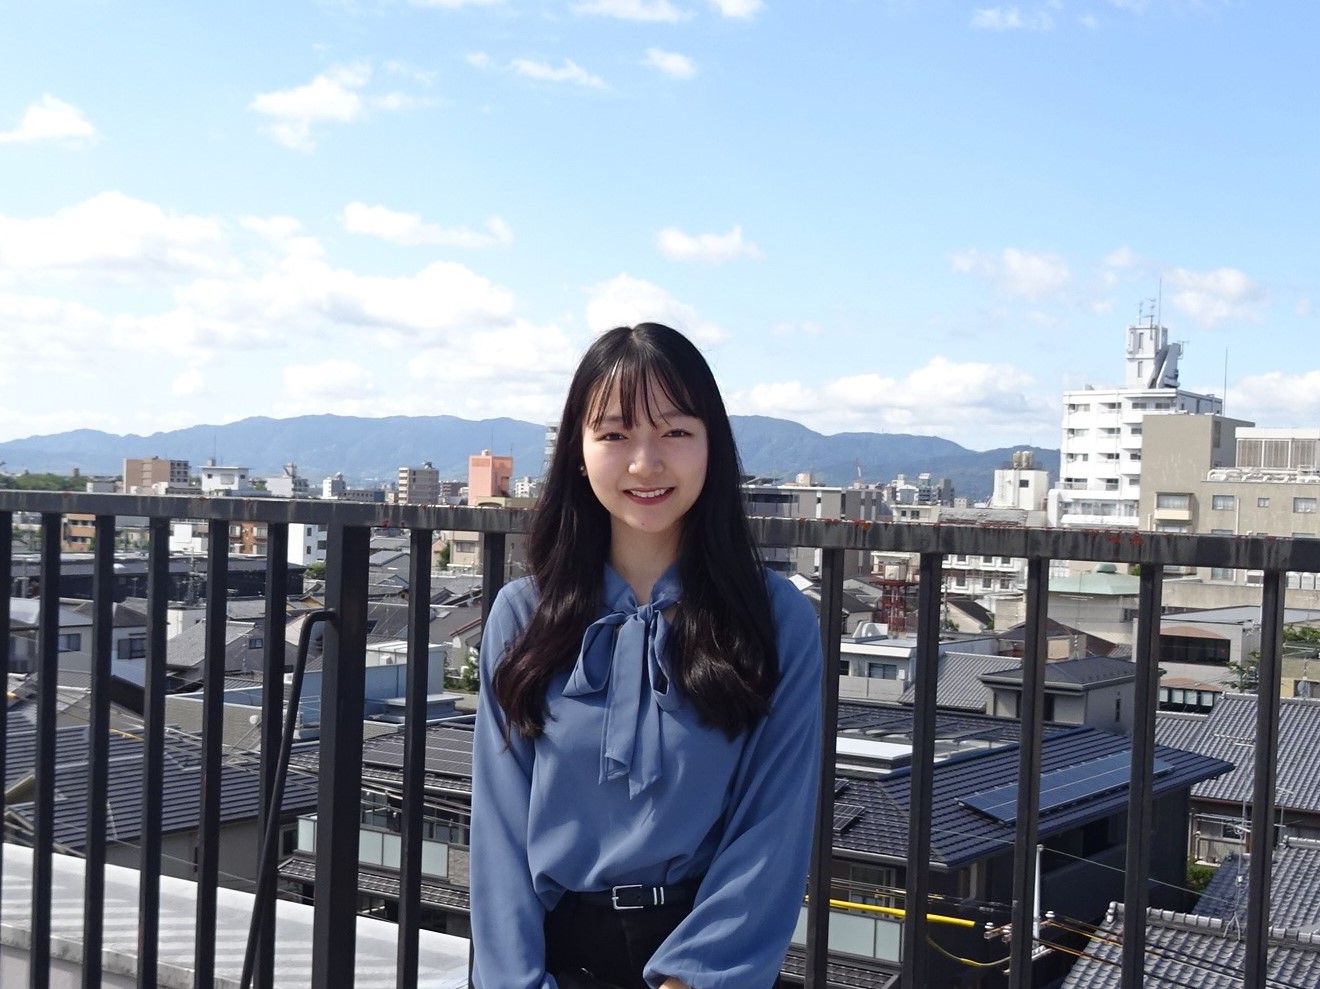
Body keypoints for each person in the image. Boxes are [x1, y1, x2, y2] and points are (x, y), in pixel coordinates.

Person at [470, 323, 823, 989]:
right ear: (577, 453)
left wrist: (695, 978)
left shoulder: (776, 620)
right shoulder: (523, 616)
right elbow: (498, 834)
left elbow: (772, 829)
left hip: (709, 962)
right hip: (555, 958)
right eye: (614, 435)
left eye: (675, 431)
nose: (645, 462)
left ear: (712, 446)